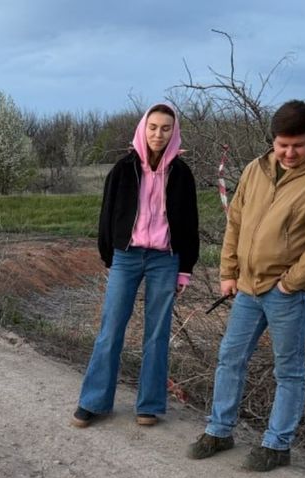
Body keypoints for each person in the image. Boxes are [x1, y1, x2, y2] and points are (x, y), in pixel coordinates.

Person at [186, 99, 305, 471]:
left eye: (298, 145)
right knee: (230, 358)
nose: (289, 153)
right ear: (272, 141)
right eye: (282, 145)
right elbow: (236, 223)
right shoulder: (255, 170)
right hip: (247, 287)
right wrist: (229, 273)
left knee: (288, 369)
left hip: (287, 293)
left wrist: (291, 283)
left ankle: (277, 444)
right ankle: (219, 430)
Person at [72, 103, 199, 428]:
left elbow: (190, 224)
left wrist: (185, 268)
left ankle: (150, 405)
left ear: (174, 132)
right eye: (153, 127)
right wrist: (109, 256)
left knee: (157, 333)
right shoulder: (123, 169)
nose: (158, 134)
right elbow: (107, 214)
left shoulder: (182, 174)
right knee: (111, 328)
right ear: (143, 128)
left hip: (165, 260)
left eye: (166, 128)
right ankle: (93, 401)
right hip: (126, 257)